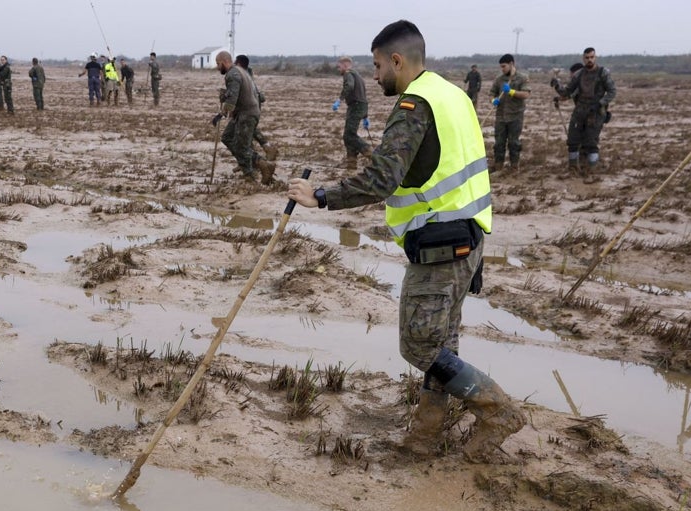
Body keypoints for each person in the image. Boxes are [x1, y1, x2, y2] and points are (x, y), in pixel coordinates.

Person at [286, 20, 524, 462]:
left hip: (441, 244)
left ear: (397, 61)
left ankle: (499, 410)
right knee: (442, 345)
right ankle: (424, 436)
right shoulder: (452, 95)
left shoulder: (415, 104)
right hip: (469, 237)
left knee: (417, 346)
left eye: (377, 66)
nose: (374, 75)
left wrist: (320, 197)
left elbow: (381, 178)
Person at [213, 50, 276, 185]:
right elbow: (235, 93)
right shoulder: (239, 71)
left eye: (218, 64)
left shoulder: (233, 74)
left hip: (247, 114)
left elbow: (232, 100)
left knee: (243, 147)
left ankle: (260, 167)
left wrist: (221, 114)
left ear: (224, 62)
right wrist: (225, 94)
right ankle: (247, 167)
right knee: (227, 137)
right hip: (243, 113)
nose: (217, 67)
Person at [553, 47, 616, 180]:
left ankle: (591, 172)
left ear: (595, 57)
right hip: (579, 111)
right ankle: (573, 170)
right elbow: (567, 92)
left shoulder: (603, 73)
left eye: (591, 57)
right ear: (583, 59)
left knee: (590, 143)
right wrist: (557, 86)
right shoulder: (579, 74)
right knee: (572, 141)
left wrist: (600, 103)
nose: (589, 60)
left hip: (595, 113)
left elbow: (612, 92)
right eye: (587, 58)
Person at [488, 53, 530, 172]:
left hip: (515, 116)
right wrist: (493, 100)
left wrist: (511, 92)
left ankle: (514, 167)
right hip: (501, 116)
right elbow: (491, 93)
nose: (502, 69)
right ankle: (498, 166)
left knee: (514, 143)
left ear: (511, 64)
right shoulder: (499, 79)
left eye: (504, 66)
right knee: (499, 143)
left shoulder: (522, 78)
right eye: (501, 67)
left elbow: (526, 94)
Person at [235, 54, 277, 162]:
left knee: (245, 135)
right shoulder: (247, 73)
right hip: (253, 106)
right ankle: (267, 148)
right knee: (250, 131)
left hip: (248, 107)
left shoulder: (242, 74)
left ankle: (252, 162)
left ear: (239, 63)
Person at [334, 56, 372, 170]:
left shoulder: (348, 74)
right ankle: (351, 164)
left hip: (355, 106)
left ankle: (372, 155)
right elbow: (363, 95)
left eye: (339, 66)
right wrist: (365, 116)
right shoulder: (358, 76)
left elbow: (349, 86)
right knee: (348, 135)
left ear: (345, 65)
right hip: (361, 106)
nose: (338, 69)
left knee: (349, 135)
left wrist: (339, 100)